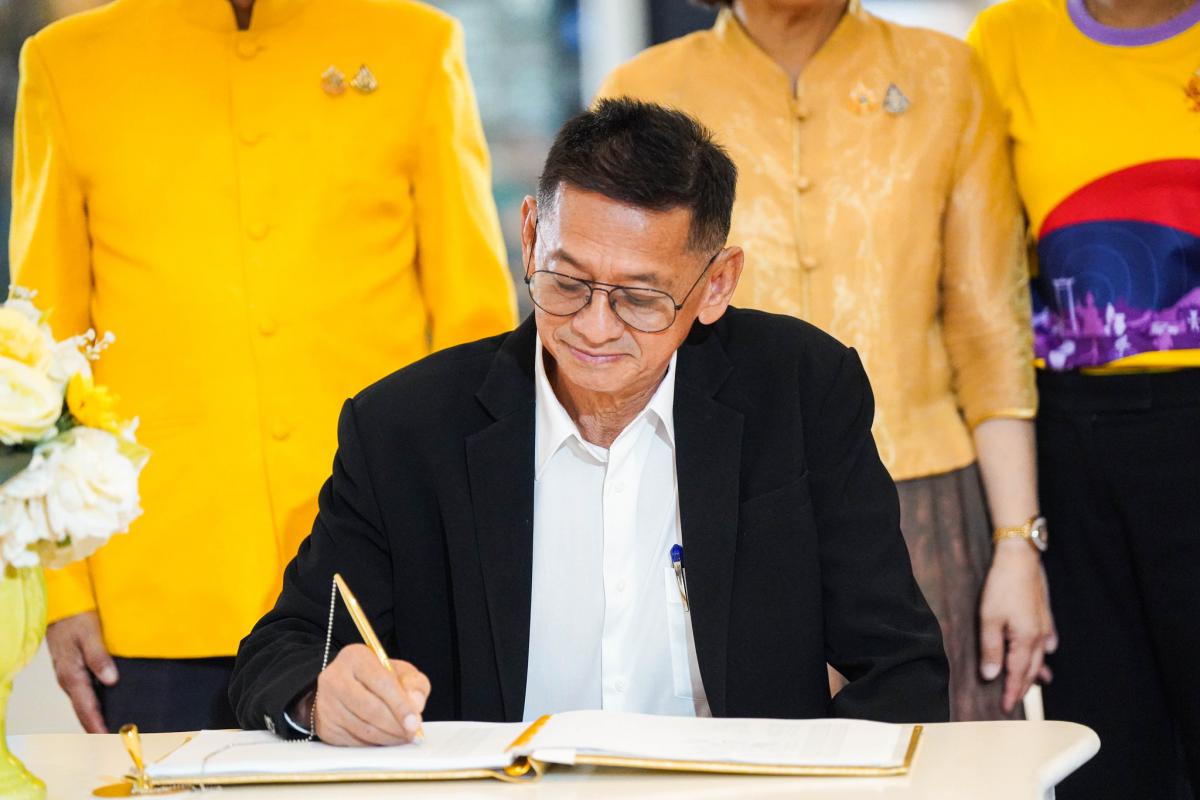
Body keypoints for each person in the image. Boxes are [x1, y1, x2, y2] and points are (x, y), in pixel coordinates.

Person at [229, 99, 949, 743]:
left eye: (640, 298)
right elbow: (284, 646)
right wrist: (318, 698)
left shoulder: (799, 391)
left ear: (716, 284)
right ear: (530, 236)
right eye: (568, 282)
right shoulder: (406, 427)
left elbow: (899, 667)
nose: (594, 328)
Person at [9, 0, 516, 733]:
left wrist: (481, 565)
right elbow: (39, 352)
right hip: (157, 591)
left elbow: (476, 339)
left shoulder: (416, 45)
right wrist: (62, 590)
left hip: (381, 572)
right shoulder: (68, 63)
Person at [596, 0, 1054, 722]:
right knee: (745, 758)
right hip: (712, 498)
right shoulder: (646, 87)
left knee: (935, 754)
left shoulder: (945, 74)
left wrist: (1017, 544)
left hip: (924, 499)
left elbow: (990, 329)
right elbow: (617, 327)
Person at [969, 1, 1200, 797]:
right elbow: (984, 276)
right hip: (1071, 440)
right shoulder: (1007, 40)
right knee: (1107, 756)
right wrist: (1017, 538)